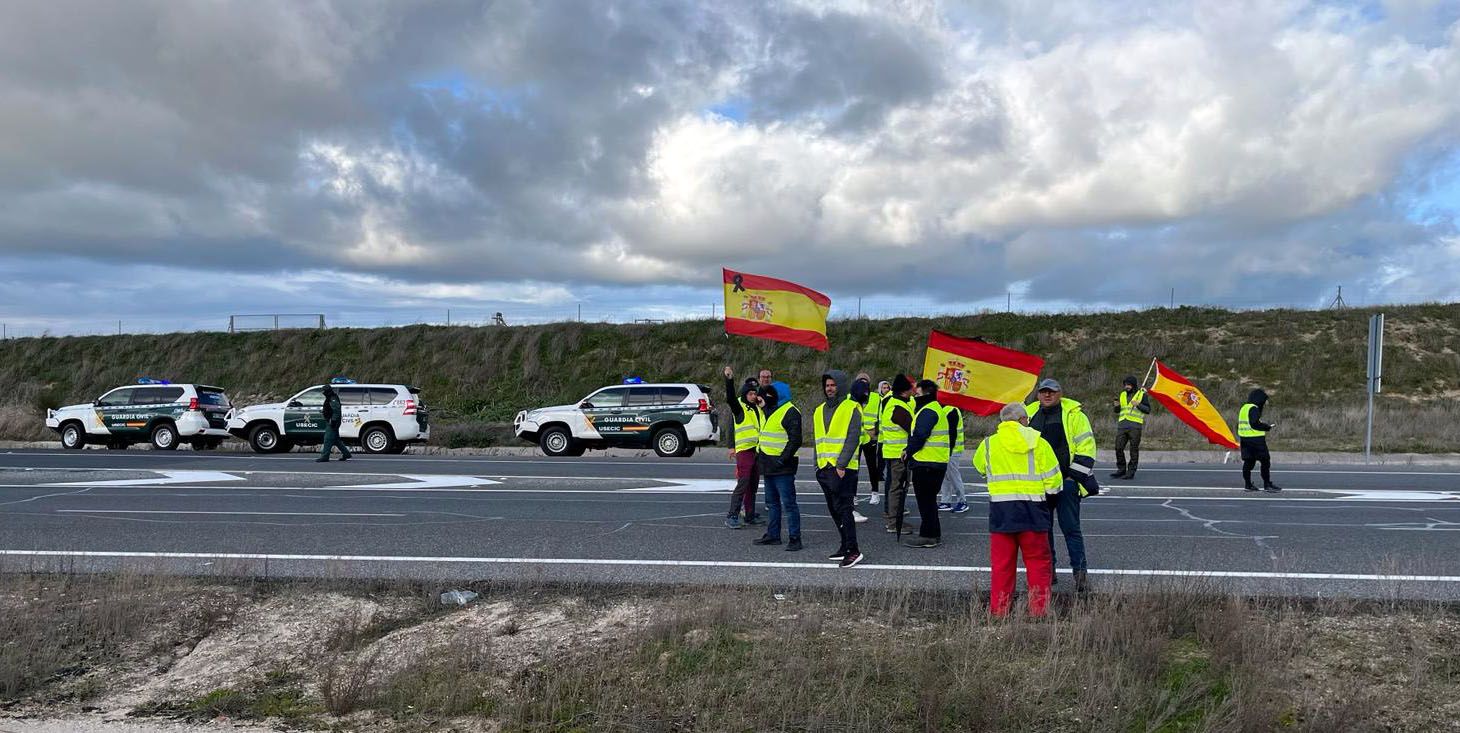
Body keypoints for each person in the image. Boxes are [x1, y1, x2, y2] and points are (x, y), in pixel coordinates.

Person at [972, 402, 1062, 617]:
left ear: (1003, 421)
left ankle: (1000, 611)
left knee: (1002, 566)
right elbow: (1054, 484)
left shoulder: (988, 445)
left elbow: (980, 467)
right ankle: (1039, 612)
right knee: (1038, 564)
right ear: (1023, 420)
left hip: (1002, 513)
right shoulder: (1039, 443)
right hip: (1033, 511)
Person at [1025, 378, 1096, 592]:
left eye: (1052, 392)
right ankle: (1049, 572)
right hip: (1039, 485)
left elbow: (1087, 448)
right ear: (1037, 394)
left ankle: (1080, 575)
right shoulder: (1027, 415)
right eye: (1043, 391)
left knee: (1071, 529)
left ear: (1060, 393)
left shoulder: (1076, 416)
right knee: (1043, 531)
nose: (1047, 395)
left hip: (1067, 484)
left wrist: (1072, 478)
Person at [813, 370, 864, 568]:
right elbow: (819, 441)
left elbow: (853, 438)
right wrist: (817, 466)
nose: (829, 388)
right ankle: (844, 545)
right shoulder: (819, 410)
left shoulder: (852, 408)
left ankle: (853, 550)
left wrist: (841, 465)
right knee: (834, 510)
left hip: (843, 469)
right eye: (827, 385)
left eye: (833, 385)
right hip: (824, 469)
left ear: (841, 386)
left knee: (844, 509)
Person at [753, 382, 803, 551]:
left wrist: (782, 459)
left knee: (789, 504)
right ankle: (773, 535)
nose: (767, 396)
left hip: (782, 466)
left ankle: (795, 538)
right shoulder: (772, 408)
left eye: (771, 393)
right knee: (772, 503)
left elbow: (795, 440)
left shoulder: (790, 411)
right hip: (769, 464)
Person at [903, 379, 952, 547]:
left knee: (926, 501)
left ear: (926, 393)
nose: (915, 394)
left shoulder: (928, 410)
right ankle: (932, 533)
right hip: (934, 462)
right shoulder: (934, 408)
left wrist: (908, 451)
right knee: (929, 500)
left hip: (927, 463)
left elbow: (920, 435)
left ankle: (928, 536)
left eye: (918, 392)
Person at [723, 367, 764, 529]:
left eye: (755, 393)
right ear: (745, 394)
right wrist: (729, 380)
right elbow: (731, 398)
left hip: (757, 451)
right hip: (745, 451)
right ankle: (732, 515)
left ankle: (750, 514)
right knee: (743, 483)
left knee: (753, 485)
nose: (753, 396)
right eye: (750, 394)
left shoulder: (757, 408)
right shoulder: (740, 408)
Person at [879, 374, 916, 534]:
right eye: (910, 388)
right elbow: (912, 428)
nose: (913, 390)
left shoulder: (895, 403)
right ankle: (894, 522)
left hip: (894, 453)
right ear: (904, 391)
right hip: (898, 455)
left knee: (897, 487)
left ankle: (895, 519)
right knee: (897, 488)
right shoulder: (898, 407)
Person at [1238, 388, 1281, 492]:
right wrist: (1267, 427)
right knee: (1265, 461)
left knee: (1248, 462)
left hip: (1245, 439)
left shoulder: (1244, 408)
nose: (1264, 403)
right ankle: (1267, 484)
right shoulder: (1254, 408)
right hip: (1256, 441)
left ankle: (1248, 485)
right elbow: (1254, 423)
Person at [1110, 375, 1151, 480]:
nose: (1127, 386)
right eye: (1125, 384)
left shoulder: (1141, 394)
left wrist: (1138, 404)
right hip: (1122, 426)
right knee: (1118, 448)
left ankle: (1131, 472)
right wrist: (1116, 406)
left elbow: (1147, 410)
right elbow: (1118, 411)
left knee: (1133, 450)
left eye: (1129, 384)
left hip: (1135, 426)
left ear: (1133, 385)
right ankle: (1121, 469)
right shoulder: (1122, 394)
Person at [854, 372, 884, 508]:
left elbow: (882, 414)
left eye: (865, 381)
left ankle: (875, 492)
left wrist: (876, 431)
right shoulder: (851, 397)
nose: (863, 383)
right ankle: (853, 495)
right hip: (855, 437)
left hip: (870, 437)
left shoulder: (876, 398)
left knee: (873, 466)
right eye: (860, 381)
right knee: (853, 468)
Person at [937, 404, 969, 513]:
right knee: (945, 476)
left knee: (953, 476)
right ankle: (946, 501)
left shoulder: (951, 410)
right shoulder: (945, 409)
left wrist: (948, 451)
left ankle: (962, 502)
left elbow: (952, 433)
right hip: (947, 450)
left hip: (952, 450)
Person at [316, 384, 351, 463]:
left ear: (327, 391)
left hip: (332, 421)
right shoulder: (330, 397)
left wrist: (333, 421)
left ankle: (325, 457)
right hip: (332, 420)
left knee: (327, 439)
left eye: (324, 391)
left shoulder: (332, 398)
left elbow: (336, 410)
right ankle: (346, 454)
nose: (323, 393)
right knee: (336, 440)